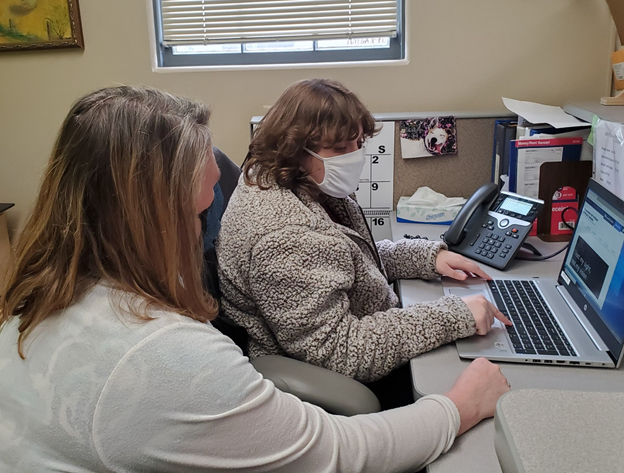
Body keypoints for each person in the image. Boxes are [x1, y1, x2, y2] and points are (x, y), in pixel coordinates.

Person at [0, 85, 510, 472]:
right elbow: (337, 451)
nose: (206, 237)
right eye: (199, 215)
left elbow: (347, 257)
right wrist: (458, 406)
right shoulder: (168, 357)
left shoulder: (30, 308)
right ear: (148, 217)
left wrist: (423, 259)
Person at [217, 78, 511, 406]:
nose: (354, 155)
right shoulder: (284, 237)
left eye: (358, 142)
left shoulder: (301, 180)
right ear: (295, 148)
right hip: (336, 384)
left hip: (361, 339)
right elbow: (342, 351)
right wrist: (453, 315)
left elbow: (346, 258)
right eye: (340, 148)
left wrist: (426, 258)